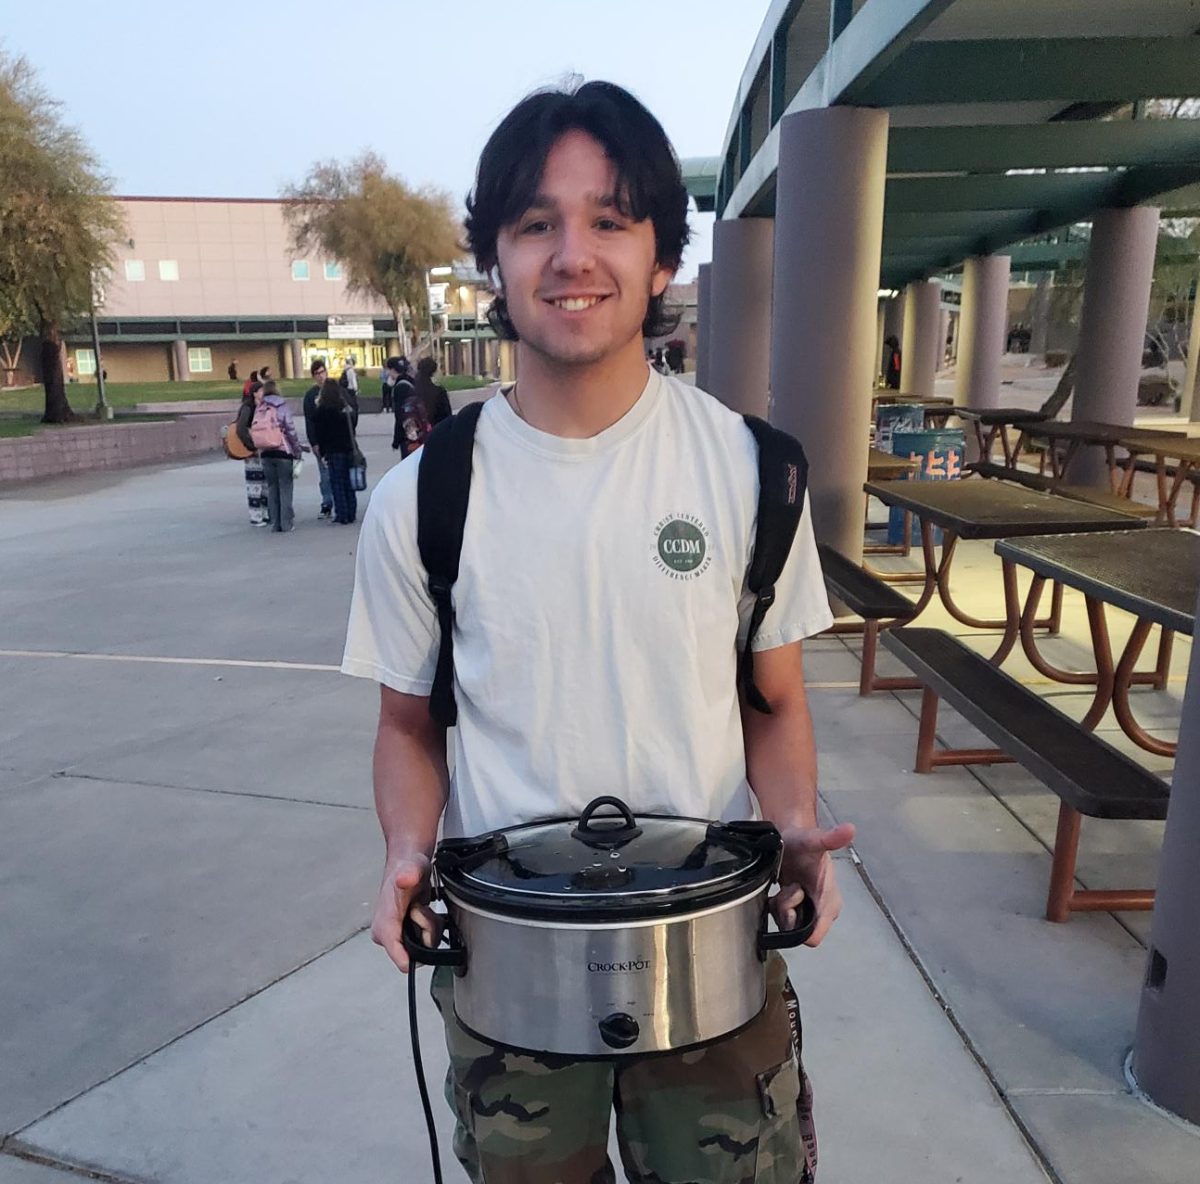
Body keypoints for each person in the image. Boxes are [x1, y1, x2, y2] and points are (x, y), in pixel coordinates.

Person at [342, 80, 852, 1184]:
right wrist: (403, 850)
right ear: (496, 262)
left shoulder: (755, 473)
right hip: (508, 970)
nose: (573, 254)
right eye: (538, 223)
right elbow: (405, 724)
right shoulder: (424, 500)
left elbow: (774, 701)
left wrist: (796, 823)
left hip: (714, 955)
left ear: (663, 259)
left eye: (610, 220)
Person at [251, 379, 302, 533]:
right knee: (285, 487)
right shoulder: (282, 406)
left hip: (265, 452)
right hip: (282, 451)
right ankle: (286, 523)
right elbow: (290, 429)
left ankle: (275, 523)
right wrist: (297, 450)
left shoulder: (260, 407)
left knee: (272, 488)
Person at [309, 377, 359, 524]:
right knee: (348, 482)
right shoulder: (345, 408)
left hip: (333, 450)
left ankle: (342, 514)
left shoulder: (322, 410)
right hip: (348, 447)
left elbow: (319, 432)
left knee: (337, 482)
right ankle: (351, 512)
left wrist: (322, 450)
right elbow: (353, 424)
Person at [394, 356, 451, 457]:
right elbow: (446, 419)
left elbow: (400, 416)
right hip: (434, 441)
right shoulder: (439, 392)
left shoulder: (410, 390)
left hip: (412, 442)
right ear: (433, 371)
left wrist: (397, 440)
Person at [303, 358, 334, 519]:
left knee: (338, 472)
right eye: (317, 374)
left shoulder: (334, 390)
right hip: (320, 440)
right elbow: (309, 420)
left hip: (335, 439)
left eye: (322, 372)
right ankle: (327, 502)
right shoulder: (311, 396)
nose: (320, 376)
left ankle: (341, 501)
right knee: (325, 474)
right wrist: (313, 442)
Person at [236, 381, 269, 527]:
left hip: (264, 449)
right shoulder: (248, 408)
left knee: (265, 483)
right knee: (254, 484)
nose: (263, 393)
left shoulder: (265, 407)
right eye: (261, 391)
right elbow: (241, 429)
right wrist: (251, 446)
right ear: (255, 393)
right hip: (252, 452)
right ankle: (255, 515)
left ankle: (266, 512)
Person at [385, 357, 417, 450]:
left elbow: (400, 415)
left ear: (392, 370)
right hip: (417, 431)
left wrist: (396, 441)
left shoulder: (400, 387)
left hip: (407, 434)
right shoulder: (411, 382)